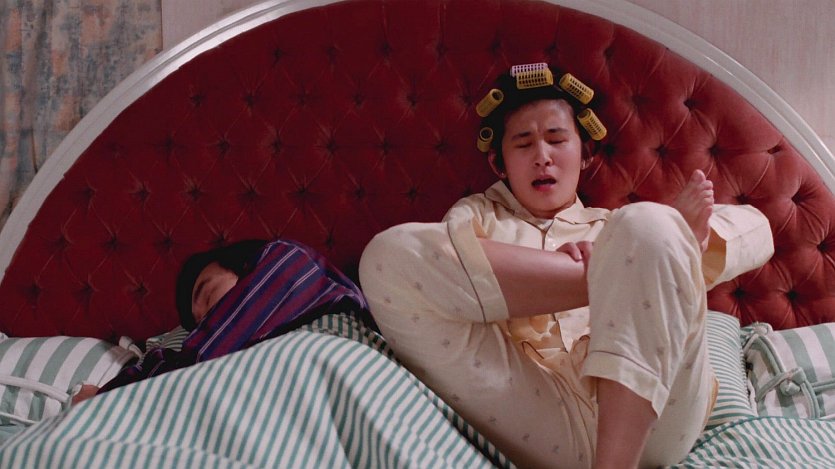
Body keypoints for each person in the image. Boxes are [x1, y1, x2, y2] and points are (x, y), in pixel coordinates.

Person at [358, 66, 774, 468]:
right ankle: (622, 274)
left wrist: (674, 242)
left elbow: (761, 232)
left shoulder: (620, 227)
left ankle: (663, 258)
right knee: (387, 256)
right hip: (532, 406)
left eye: (557, 139)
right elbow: (447, 273)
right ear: (499, 165)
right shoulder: (478, 216)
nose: (542, 157)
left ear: (585, 154)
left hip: (656, 414)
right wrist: (599, 272)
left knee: (651, 224)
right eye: (523, 144)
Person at [72, 238, 369, 404]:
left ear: (244, 264)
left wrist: (108, 396)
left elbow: (196, 361)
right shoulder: (237, 359)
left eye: (209, 294)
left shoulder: (286, 259)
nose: (210, 319)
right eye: (201, 323)